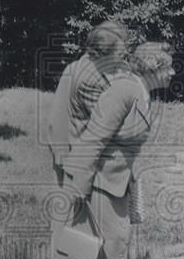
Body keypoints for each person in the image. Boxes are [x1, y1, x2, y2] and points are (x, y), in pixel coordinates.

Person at [65, 41, 173, 259]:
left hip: (120, 179)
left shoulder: (141, 91)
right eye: (169, 67)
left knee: (119, 242)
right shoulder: (123, 89)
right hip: (100, 178)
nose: (173, 72)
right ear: (154, 68)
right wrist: (80, 184)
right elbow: (94, 137)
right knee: (103, 244)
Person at [47, 20, 130, 186]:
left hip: (65, 148)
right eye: (121, 54)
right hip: (81, 159)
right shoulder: (93, 80)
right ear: (103, 54)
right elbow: (110, 124)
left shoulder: (78, 64)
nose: (126, 55)